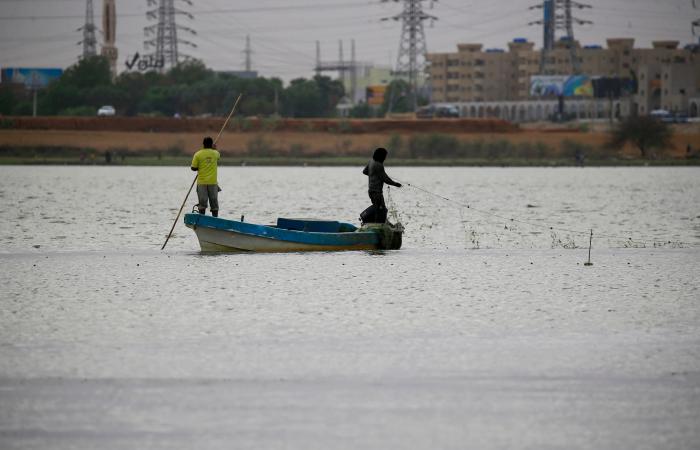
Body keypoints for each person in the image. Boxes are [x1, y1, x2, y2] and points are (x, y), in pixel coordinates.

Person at [362, 147, 401, 218]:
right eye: (385, 156)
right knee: (381, 210)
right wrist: (395, 184)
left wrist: (374, 175)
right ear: (381, 156)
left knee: (378, 209)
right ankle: (378, 226)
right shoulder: (379, 165)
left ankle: (377, 224)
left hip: (371, 191)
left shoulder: (371, 161)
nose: (385, 158)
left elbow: (365, 171)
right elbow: (385, 179)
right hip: (377, 193)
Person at [191, 136, 221, 217]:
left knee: (202, 203)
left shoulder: (198, 154)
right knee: (214, 203)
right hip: (213, 183)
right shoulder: (215, 153)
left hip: (202, 183)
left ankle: (202, 218)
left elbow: (193, 168)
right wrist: (214, 149)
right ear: (211, 144)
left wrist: (200, 167)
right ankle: (215, 219)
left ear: (203, 144)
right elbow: (218, 156)